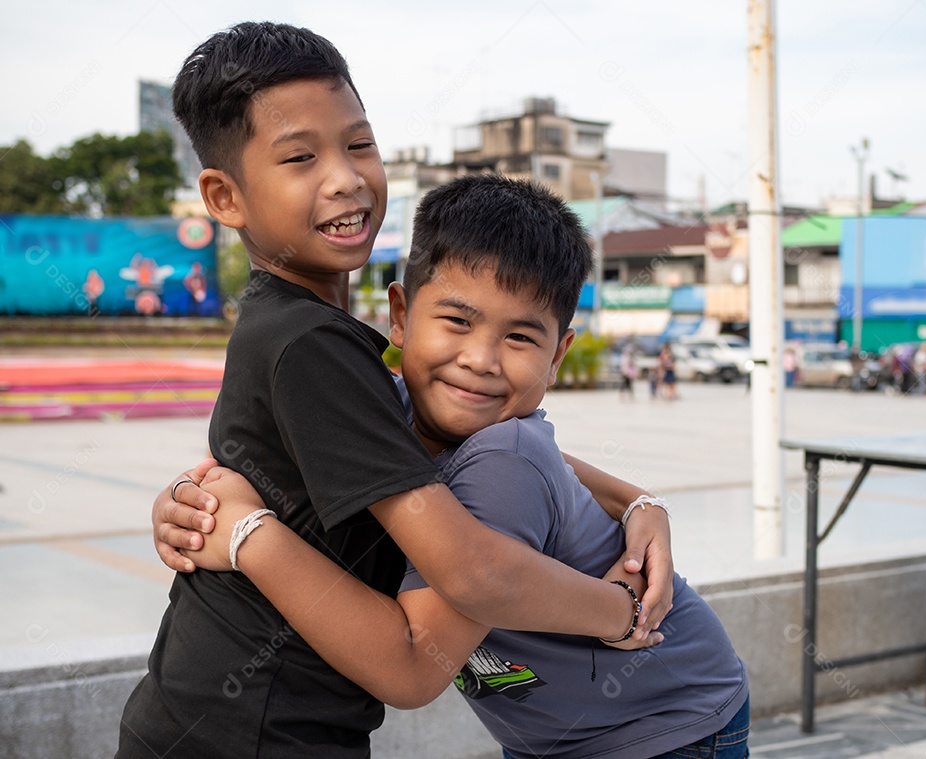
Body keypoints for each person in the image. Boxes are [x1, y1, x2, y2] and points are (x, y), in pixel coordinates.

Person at [118, 24, 672, 759]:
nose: (345, 178)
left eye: (358, 144)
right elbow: (468, 575)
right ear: (225, 196)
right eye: (300, 157)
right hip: (249, 733)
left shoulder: (303, 329)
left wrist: (634, 501)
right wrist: (622, 611)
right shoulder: (311, 345)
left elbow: (444, 447)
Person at [170, 175, 750, 759]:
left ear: (557, 356)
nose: (480, 360)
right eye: (457, 321)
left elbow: (411, 668)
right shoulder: (389, 409)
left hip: (666, 726)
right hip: (566, 735)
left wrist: (246, 534)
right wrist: (188, 505)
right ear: (400, 315)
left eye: (519, 337)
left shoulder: (503, 463)